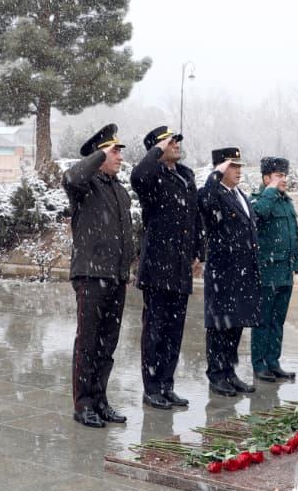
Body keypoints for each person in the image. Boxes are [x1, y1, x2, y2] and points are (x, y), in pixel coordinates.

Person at [62, 123, 136, 428]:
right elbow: (71, 177)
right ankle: (83, 405)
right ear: (100, 154)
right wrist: (99, 155)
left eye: (118, 152)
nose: (120, 157)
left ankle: (100, 399)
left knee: (108, 345)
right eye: (114, 151)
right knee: (88, 342)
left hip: (116, 276)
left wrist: (126, 268)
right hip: (91, 276)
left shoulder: (118, 189)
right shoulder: (85, 185)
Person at [130, 125, 204, 410]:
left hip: (181, 265)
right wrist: (156, 151)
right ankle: (152, 388)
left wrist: (199, 252)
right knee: (155, 330)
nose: (175, 144)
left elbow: (195, 217)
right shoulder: (151, 176)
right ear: (156, 148)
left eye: (176, 140)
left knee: (174, 331)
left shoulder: (185, 175)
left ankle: (166, 385)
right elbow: (138, 176)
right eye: (169, 142)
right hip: (158, 265)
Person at [198, 147, 263, 397]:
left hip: (243, 272)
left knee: (235, 325)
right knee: (219, 327)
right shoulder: (213, 192)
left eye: (239, 166)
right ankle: (217, 375)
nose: (238, 170)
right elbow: (205, 201)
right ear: (220, 168)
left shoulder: (239, 195)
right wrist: (215, 175)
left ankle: (229, 372)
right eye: (232, 166)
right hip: (223, 273)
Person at [250, 157, 298, 382]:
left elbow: (293, 234)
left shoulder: (286, 202)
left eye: (284, 175)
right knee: (263, 320)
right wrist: (270, 192)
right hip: (267, 271)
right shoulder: (258, 199)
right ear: (266, 178)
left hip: (285, 271)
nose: (284, 179)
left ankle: (273, 361)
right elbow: (258, 215)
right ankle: (259, 364)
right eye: (279, 175)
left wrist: (295, 262)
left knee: (278, 321)